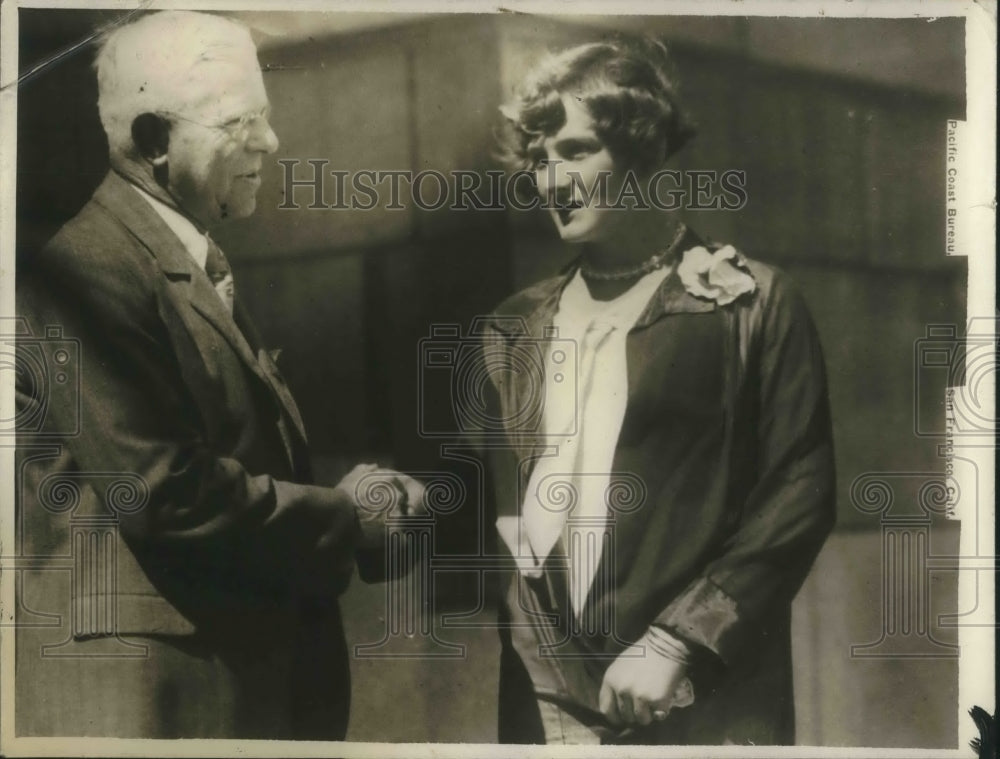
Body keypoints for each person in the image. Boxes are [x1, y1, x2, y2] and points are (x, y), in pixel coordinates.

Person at [15, 10, 421, 740]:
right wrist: (347, 513)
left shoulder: (174, 262)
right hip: (162, 703)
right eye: (240, 122)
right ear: (153, 142)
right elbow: (165, 491)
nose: (270, 142)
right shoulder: (85, 271)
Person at [481, 36, 836, 745]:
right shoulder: (516, 324)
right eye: (541, 160)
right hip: (548, 708)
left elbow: (800, 491)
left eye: (577, 151)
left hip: (702, 700)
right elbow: (502, 516)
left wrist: (678, 641)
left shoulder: (751, 303)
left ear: (642, 152)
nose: (553, 180)